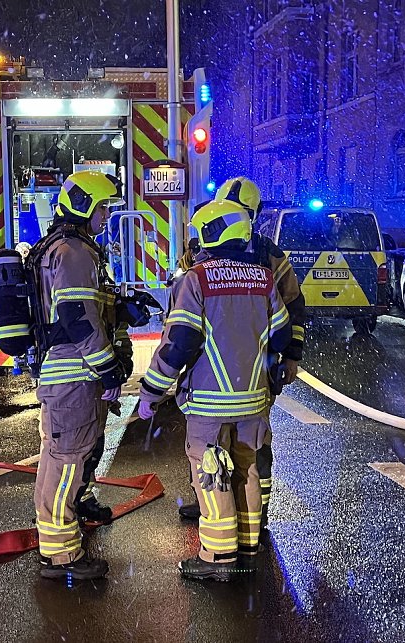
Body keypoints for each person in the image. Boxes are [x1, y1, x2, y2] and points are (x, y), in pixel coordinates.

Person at [137, 199, 292, 581]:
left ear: (212, 233)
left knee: (212, 474)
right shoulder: (263, 278)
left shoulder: (198, 279)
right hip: (254, 399)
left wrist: (152, 392)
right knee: (247, 468)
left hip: (209, 400)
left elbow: (180, 343)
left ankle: (218, 558)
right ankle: (249, 544)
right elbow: (283, 334)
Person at [177, 177, 306, 531]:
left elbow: (294, 306)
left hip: (253, 365)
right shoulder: (201, 249)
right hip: (235, 363)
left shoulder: (269, 255)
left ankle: (253, 517)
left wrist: (291, 356)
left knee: (248, 446)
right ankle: (220, 507)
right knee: (221, 444)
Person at [31, 170, 129, 581]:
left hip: (68, 376)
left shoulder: (64, 247)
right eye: (103, 207)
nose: (106, 216)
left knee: (72, 453)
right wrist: (109, 370)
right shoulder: (73, 252)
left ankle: (73, 514)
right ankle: (60, 554)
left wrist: (122, 306)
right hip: (74, 375)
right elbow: (76, 317)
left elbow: (81, 305)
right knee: (67, 458)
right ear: (86, 205)